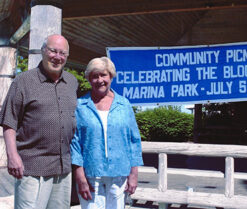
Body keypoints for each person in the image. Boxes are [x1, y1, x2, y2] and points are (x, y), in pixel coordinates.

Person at [0, 34, 78, 209]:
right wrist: (12, 157)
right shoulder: (23, 81)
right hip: (31, 167)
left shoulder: (72, 82)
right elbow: (9, 122)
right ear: (43, 51)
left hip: (63, 168)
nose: (57, 57)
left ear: (66, 57)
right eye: (53, 51)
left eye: (62, 53)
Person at [71, 57, 143, 209]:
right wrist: (79, 176)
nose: (99, 80)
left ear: (111, 76)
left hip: (119, 174)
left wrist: (134, 174)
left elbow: (134, 141)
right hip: (90, 175)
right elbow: (75, 143)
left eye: (103, 75)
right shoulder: (80, 106)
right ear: (89, 79)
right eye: (94, 76)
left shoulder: (124, 105)